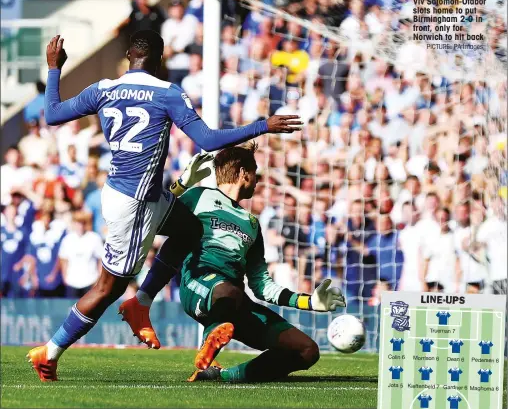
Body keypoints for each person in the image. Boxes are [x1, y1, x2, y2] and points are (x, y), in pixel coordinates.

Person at [27, 31, 301, 382]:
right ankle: (50, 353)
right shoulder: (167, 93)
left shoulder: (103, 89)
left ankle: (141, 303)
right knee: (107, 288)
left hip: (134, 192)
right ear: (159, 60)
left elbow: (51, 114)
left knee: (192, 227)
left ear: (128, 54)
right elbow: (206, 140)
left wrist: (54, 69)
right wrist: (263, 126)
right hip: (137, 203)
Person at [122, 143, 346, 382]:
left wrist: (309, 301)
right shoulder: (199, 197)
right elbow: (153, 214)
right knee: (227, 291)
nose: (257, 180)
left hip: (235, 301)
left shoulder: (251, 223)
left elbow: (262, 285)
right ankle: (209, 343)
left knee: (307, 350)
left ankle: (222, 375)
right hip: (199, 284)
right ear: (243, 173)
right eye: (255, 173)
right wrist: (182, 184)